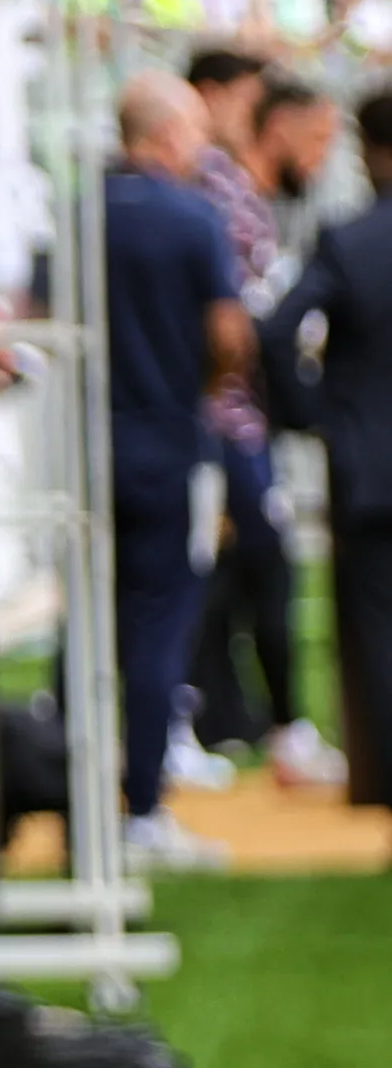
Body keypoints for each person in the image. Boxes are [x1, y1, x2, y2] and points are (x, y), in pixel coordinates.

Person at [185, 56, 348, 784]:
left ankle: (231, 721)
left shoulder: (241, 197)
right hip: (226, 425)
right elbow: (234, 329)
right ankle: (265, 729)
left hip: (234, 424)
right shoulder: (220, 195)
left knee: (234, 582)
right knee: (246, 576)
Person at [104, 71, 251, 869]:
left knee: (93, 626)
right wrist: (200, 389)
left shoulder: (81, 211)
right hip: (169, 444)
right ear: (161, 136)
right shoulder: (194, 216)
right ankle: (145, 806)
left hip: (95, 452)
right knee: (162, 623)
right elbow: (230, 335)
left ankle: (88, 794)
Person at [262, 88, 392, 807]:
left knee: (374, 624)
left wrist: (313, 417)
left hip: (367, 463)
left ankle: (381, 776)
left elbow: (278, 330)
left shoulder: (349, 239)